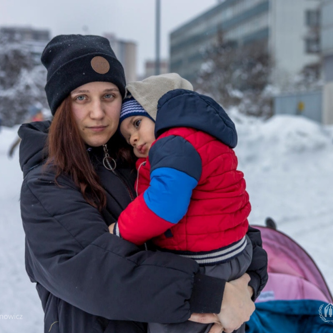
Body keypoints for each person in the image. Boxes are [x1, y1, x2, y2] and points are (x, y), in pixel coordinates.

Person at [18, 34, 268, 333]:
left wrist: (247, 286)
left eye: (109, 96)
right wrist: (214, 296)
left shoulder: (141, 157)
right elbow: (97, 275)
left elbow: (227, 220)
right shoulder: (47, 182)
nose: (97, 112)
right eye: (81, 98)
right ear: (61, 107)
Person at [111, 74, 254, 333]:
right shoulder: (204, 139)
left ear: (159, 111)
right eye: (127, 135)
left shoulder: (174, 144)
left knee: (169, 322)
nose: (133, 138)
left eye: (136, 123)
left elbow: (163, 205)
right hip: (233, 254)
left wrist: (121, 231)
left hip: (204, 264)